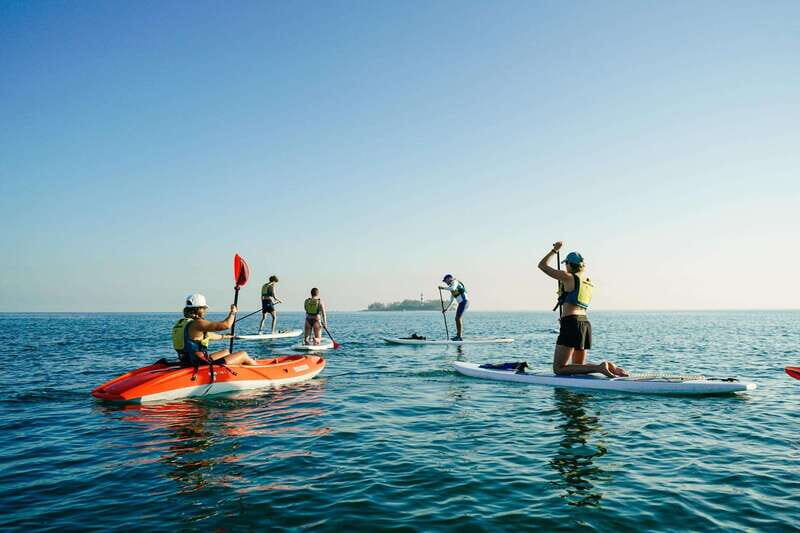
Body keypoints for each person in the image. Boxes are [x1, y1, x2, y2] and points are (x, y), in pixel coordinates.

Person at [537, 242, 628, 378]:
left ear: (568, 264)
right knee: (578, 369)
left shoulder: (568, 277)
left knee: (559, 368)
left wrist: (554, 251)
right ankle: (609, 367)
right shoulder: (587, 281)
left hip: (571, 323)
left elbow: (542, 266)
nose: (565, 267)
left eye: (565, 264)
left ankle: (599, 367)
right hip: (584, 324)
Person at [171, 293, 256, 367]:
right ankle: (259, 368)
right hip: (199, 364)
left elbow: (207, 336)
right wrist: (233, 312)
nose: (205, 311)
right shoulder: (197, 323)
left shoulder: (182, 323)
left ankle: (240, 365)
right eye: (204, 308)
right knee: (243, 354)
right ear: (199, 309)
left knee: (226, 352)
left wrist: (224, 336)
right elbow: (226, 325)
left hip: (187, 361)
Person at [439, 274, 468, 341]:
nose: (445, 283)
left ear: (449, 278)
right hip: (461, 303)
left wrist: (443, 288)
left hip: (464, 302)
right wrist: (446, 309)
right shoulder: (451, 287)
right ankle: (459, 336)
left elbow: (453, 288)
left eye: (445, 281)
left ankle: (459, 337)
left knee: (457, 318)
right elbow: (452, 300)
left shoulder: (455, 282)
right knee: (457, 318)